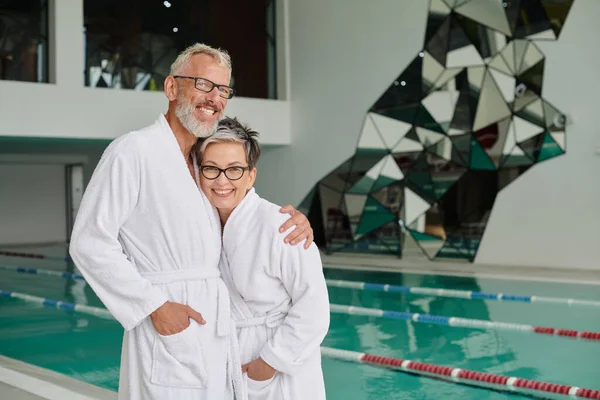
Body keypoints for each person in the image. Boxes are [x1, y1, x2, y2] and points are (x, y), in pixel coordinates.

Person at [69, 44, 313, 400]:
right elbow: (89, 241)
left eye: (223, 90)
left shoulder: (201, 163)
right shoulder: (134, 150)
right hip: (167, 323)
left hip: (213, 327)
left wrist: (295, 220)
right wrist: (153, 306)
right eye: (202, 84)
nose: (214, 98)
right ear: (171, 88)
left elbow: (237, 209)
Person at [196, 117, 330, 400]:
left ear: (250, 176)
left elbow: (314, 308)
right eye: (211, 169)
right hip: (228, 360)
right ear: (199, 172)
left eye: (234, 170)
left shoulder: (280, 225)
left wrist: (268, 364)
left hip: (278, 367)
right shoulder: (200, 227)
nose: (222, 180)